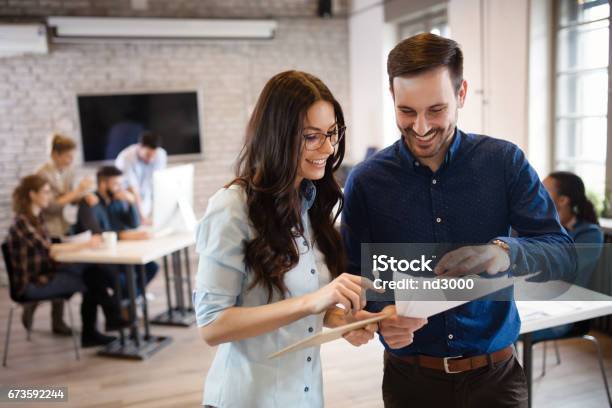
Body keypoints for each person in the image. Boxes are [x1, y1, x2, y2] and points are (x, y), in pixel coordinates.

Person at [342, 33, 576, 407]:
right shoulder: (367, 182)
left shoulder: (504, 162)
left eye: (436, 110)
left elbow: (562, 252)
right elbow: (356, 279)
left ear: (462, 93)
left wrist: (504, 253)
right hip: (410, 382)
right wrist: (376, 318)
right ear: (392, 97)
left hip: (495, 379)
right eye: (407, 111)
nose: (420, 128)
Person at [194, 70, 382, 408]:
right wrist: (315, 302)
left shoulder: (311, 205)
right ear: (278, 136)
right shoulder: (232, 208)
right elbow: (212, 325)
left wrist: (339, 320)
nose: (327, 147)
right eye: (312, 137)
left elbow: (299, 303)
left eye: (332, 133)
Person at [7, 174, 126, 347]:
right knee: (91, 277)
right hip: (33, 283)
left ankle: (108, 318)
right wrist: (85, 244)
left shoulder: (37, 219)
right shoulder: (22, 222)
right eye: (46, 192)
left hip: (46, 273)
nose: (50, 197)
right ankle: (107, 319)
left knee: (92, 271)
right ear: (32, 194)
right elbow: (50, 249)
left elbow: (49, 248)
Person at [32, 134, 95, 335]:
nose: (71, 161)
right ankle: (41, 310)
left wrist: (85, 194)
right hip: (47, 229)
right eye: (67, 156)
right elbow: (50, 206)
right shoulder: (42, 175)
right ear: (55, 154)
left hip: (63, 227)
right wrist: (77, 192)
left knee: (61, 270)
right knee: (56, 271)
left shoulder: (67, 172)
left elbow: (70, 200)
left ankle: (56, 321)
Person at [531, 171, 604, 341]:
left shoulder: (590, 234)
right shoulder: (541, 226)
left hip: (565, 314)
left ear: (563, 200)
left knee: (505, 332)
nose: (536, 193)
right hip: (535, 303)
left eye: (543, 189)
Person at [74, 165, 158, 292]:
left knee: (151, 267)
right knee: (123, 281)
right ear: (102, 184)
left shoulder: (117, 200)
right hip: (99, 260)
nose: (120, 188)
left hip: (120, 254)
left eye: (121, 184)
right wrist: (124, 235)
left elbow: (134, 224)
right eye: (116, 184)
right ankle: (128, 303)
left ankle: (130, 301)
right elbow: (95, 233)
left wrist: (131, 203)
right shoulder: (90, 202)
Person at [114, 131, 167, 224]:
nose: (151, 159)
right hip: (126, 198)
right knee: (134, 222)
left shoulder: (161, 154)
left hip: (145, 196)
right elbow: (133, 189)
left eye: (153, 155)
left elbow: (159, 182)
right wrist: (143, 218)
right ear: (140, 146)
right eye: (148, 155)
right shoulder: (126, 158)